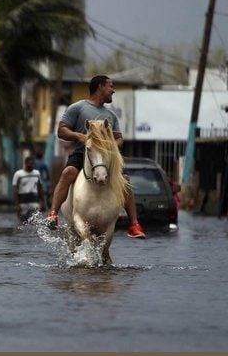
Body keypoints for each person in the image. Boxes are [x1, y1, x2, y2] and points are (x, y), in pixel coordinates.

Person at [46, 75, 145, 238]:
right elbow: (61, 130)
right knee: (67, 173)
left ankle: (134, 224)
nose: (113, 91)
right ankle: (53, 214)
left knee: (125, 179)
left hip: (107, 156)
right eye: (110, 87)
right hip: (83, 151)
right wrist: (79, 136)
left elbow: (119, 139)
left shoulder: (111, 116)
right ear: (100, 87)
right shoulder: (77, 107)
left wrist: (110, 144)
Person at [12, 155, 46, 222]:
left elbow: (39, 187)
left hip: (34, 200)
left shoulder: (37, 173)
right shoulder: (18, 174)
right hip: (23, 201)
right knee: (22, 221)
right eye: (30, 164)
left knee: (35, 220)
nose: (32, 165)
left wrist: (42, 201)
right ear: (26, 164)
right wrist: (17, 204)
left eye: (33, 164)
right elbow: (15, 189)